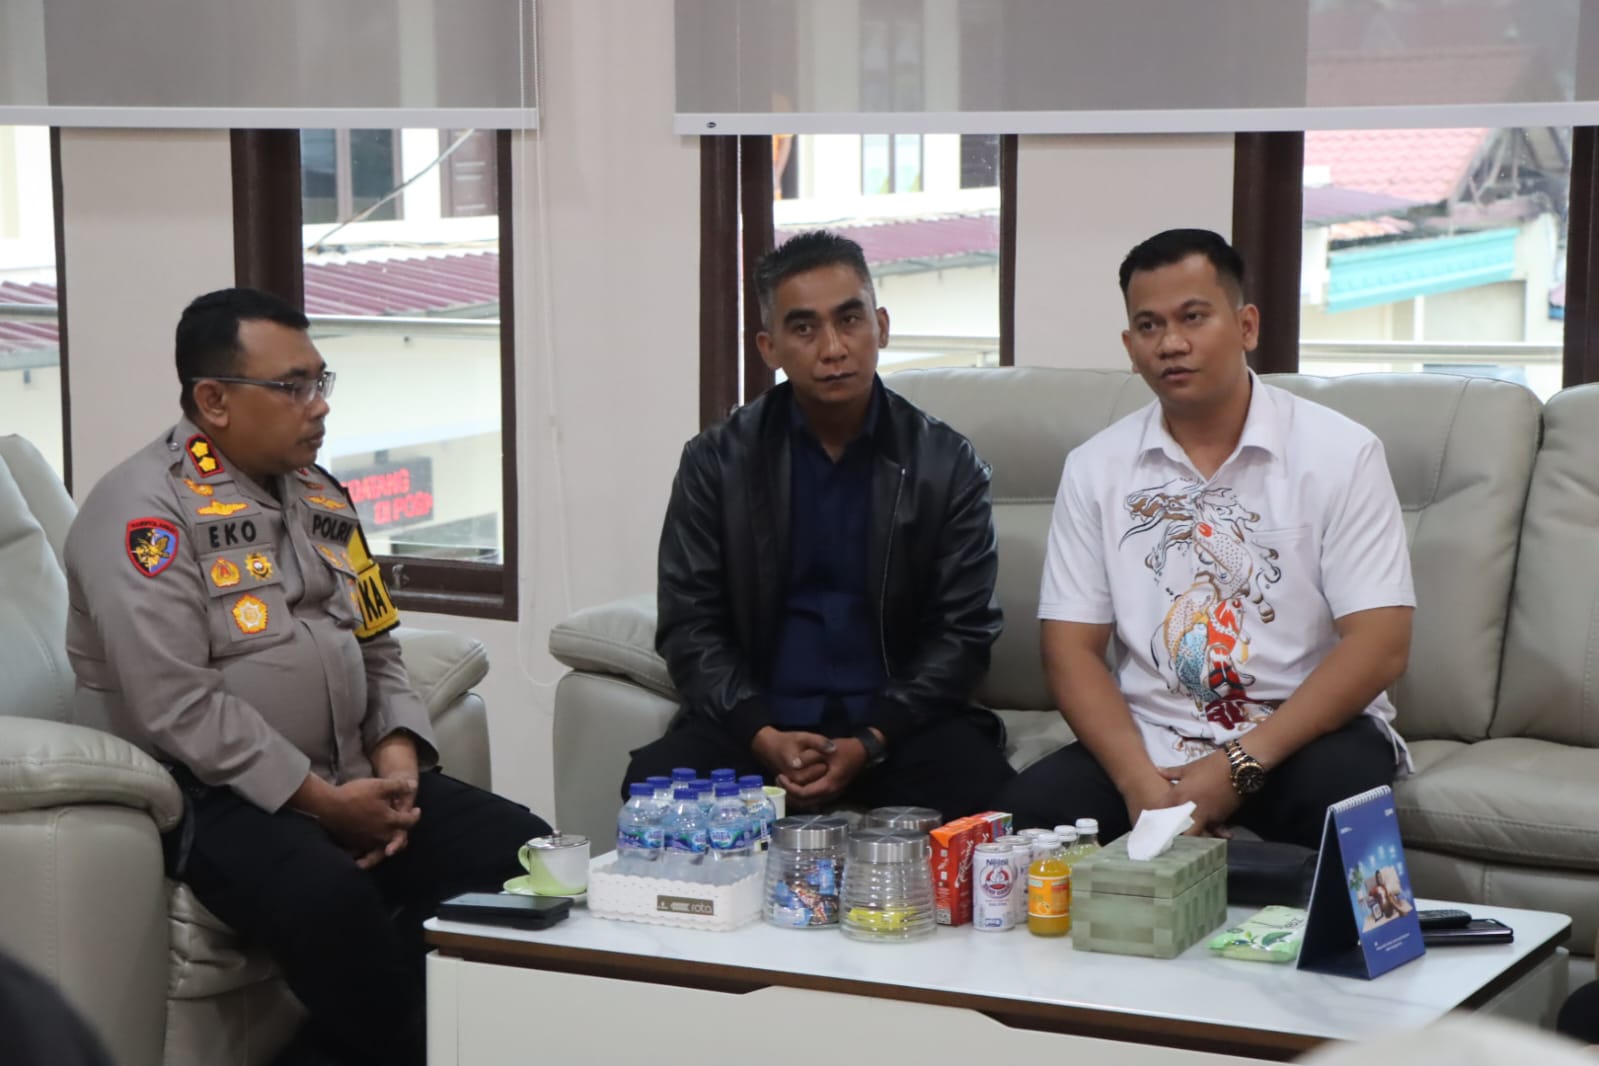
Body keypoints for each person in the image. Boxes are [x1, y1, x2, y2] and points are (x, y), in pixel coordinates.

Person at [62, 288, 551, 1066]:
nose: (318, 406)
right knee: (328, 898)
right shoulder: (142, 514)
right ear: (213, 401)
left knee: (526, 856)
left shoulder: (321, 494)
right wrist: (325, 804)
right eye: (292, 387)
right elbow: (175, 702)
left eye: (321, 381)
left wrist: (397, 763)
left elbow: (379, 643)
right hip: (209, 796)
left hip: (348, 772)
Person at [994, 229, 1414, 848]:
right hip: (1152, 742)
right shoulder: (1096, 468)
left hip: (1301, 737)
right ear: (1130, 347)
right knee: (1024, 821)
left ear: (1246, 326)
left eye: (1193, 317)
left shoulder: (1341, 453)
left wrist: (1234, 769)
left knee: (1339, 796)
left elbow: (1380, 645)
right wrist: (1139, 785)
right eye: (1149, 326)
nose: (1171, 343)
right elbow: (1070, 651)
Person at [623, 230, 1014, 818]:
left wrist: (869, 741)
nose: (833, 349)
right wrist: (762, 734)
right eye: (804, 329)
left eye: (849, 320)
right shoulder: (717, 462)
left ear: (881, 326)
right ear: (769, 347)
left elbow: (964, 633)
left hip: (897, 731)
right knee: (650, 789)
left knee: (996, 804)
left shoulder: (945, 463)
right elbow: (689, 626)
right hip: (759, 727)